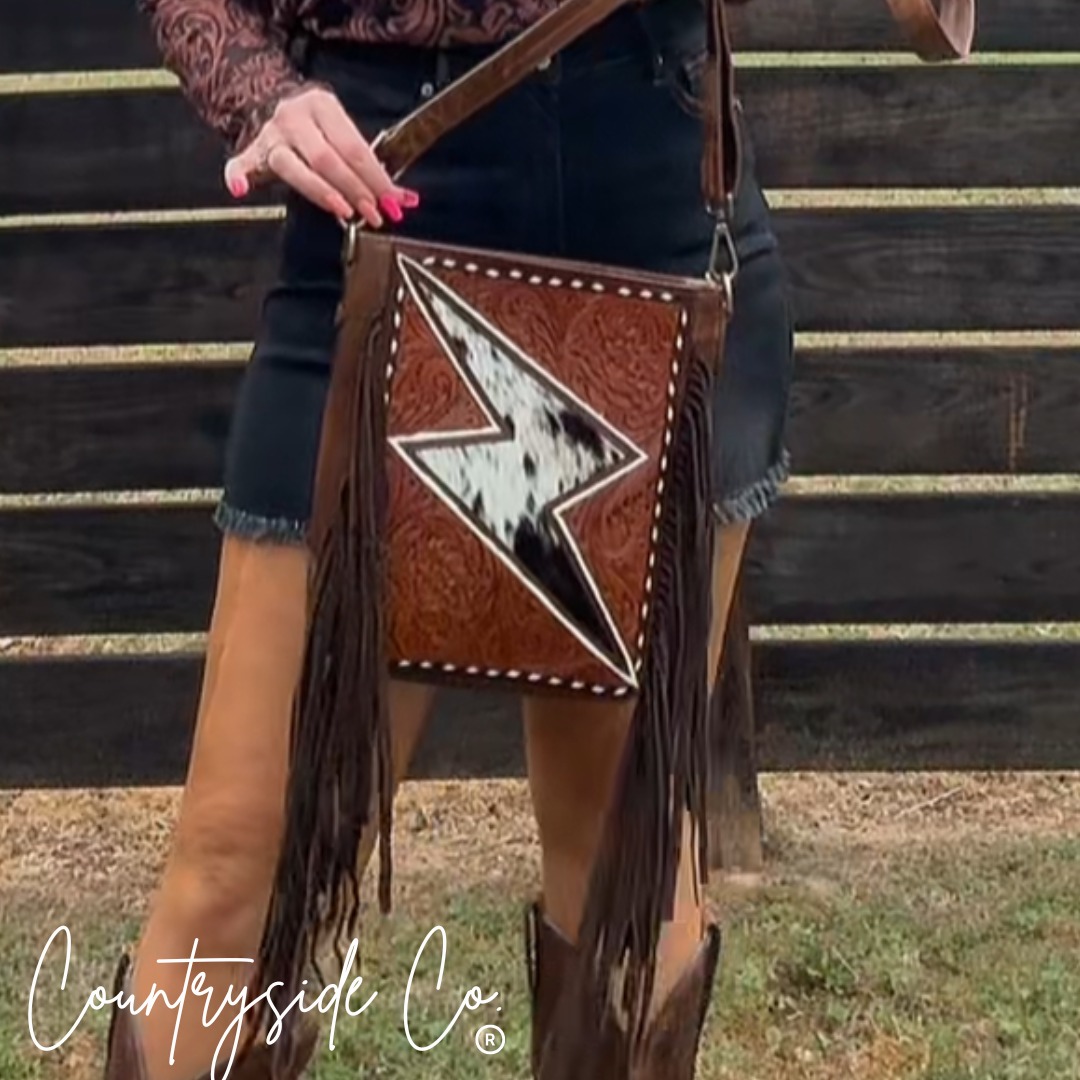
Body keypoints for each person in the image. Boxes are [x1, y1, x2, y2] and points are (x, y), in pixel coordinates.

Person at [103, 0, 793, 1077]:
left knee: (628, 872)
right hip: (388, 194)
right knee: (240, 864)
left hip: (651, 180)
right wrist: (256, 91)